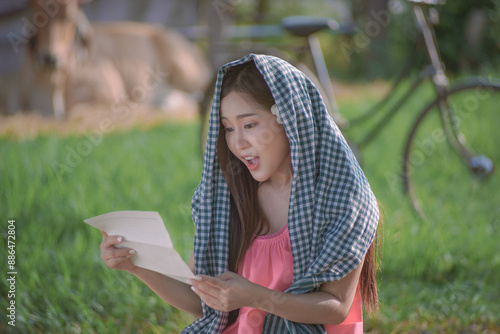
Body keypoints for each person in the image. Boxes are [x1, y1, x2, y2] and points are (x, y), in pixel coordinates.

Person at [100, 54, 381, 334]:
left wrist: (255, 296)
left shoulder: (343, 199)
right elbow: (201, 301)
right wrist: (137, 265)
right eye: (228, 128)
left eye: (249, 125)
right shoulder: (229, 196)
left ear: (291, 120)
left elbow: (336, 307)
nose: (237, 142)